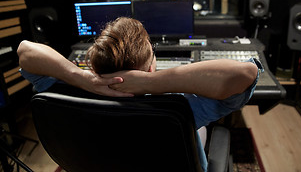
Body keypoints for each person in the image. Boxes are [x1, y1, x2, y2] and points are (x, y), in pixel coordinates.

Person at [17, 17, 263, 171]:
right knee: (201, 129)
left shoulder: (68, 93)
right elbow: (245, 73)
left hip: (103, 161)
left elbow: (25, 51)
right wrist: (151, 83)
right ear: (150, 67)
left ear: (94, 67)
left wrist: (83, 79)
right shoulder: (176, 109)